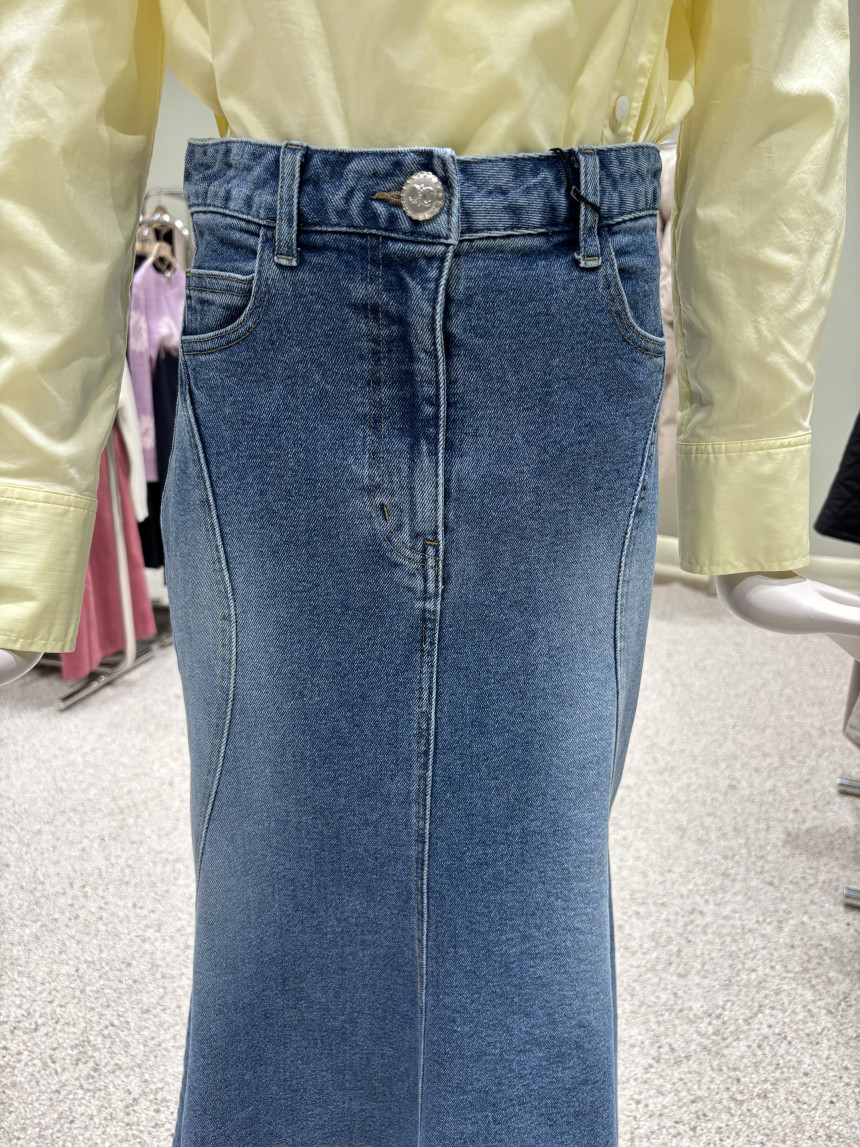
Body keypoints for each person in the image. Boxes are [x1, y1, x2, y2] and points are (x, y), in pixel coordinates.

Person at [0, 3, 849, 1145]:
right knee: (274, 943)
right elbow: (64, 66)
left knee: (533, 945)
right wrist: (26, 504)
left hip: (562, 301)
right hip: (285, 306)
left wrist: (748, 450)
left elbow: (774, 54)